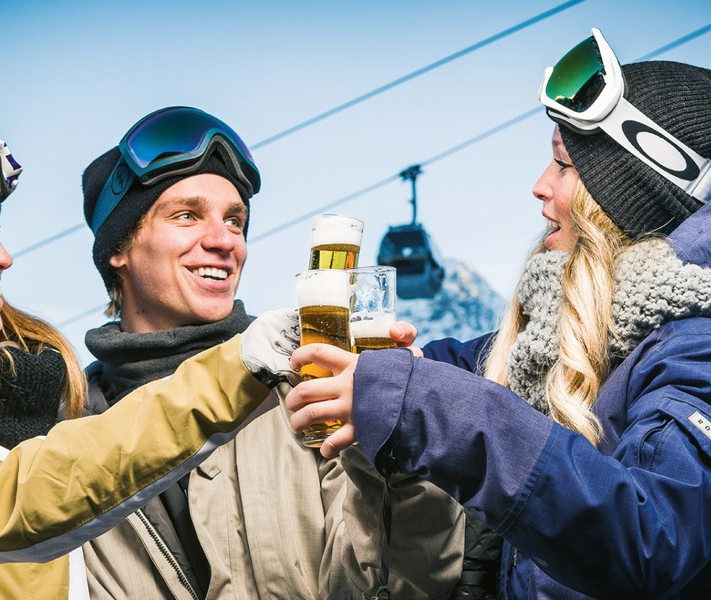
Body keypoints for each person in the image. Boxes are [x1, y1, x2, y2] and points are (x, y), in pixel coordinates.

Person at [286, 30, 711, 598]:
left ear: (629, 194)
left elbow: (650, 537)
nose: (539, 187)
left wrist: (426, 403)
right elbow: (459, 366)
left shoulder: (694, 350)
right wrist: (379, 367)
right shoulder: (559, 334)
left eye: (564, 165)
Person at [79, 105, 476, 599]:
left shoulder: (307, 387)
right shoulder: (71, 434)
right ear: (118, 248)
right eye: (187, 215)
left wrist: (401, 457)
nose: (225, 241)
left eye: (235, 221)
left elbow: (405, 584)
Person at [0, 106, 300, 598]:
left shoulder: (44, 400)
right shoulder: (79, 418)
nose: (2, 256)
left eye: (236, 221)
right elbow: (7, 500)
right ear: (120, 247)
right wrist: (238, 368)